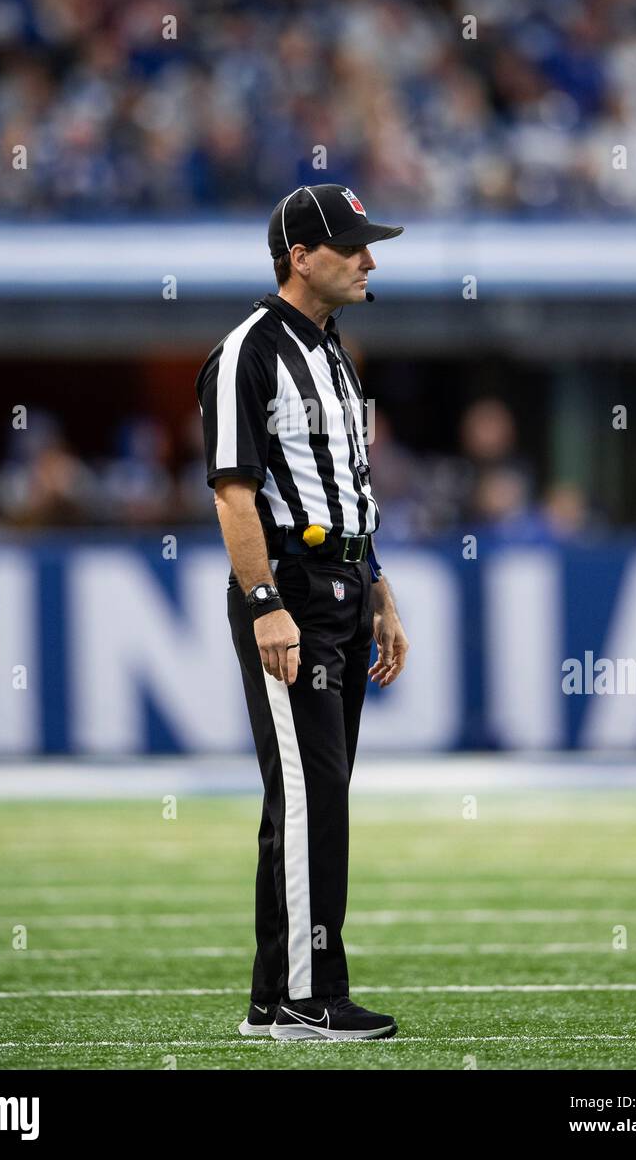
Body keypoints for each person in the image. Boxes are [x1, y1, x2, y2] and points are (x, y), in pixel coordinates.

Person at [195, 184, 410, 1041]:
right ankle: (303, 996)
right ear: (301, 257)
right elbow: (233, 496)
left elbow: (351, 488)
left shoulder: (333, 351)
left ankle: (273, 995)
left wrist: (381, 590)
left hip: (345, 588)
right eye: (353, 245)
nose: (369, 258)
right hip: (293, 591)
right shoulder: (247, 351)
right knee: (310, 793)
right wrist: (264, 605)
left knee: (314, 794)